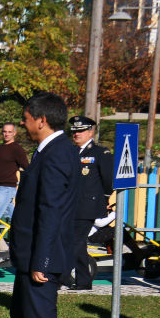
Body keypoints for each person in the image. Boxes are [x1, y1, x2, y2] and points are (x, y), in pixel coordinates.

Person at [0, 92, 79, 318]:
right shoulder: (52, 150)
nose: (23, 122)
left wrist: (42, 261)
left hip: (41, 257)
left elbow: (52, 211)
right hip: (30, 254)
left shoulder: (58, 153)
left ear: (41, 120)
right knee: (23, 317)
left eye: (27, 117)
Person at [68, 115, 114, 290]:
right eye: (74, 131)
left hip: (87, 206)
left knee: (76, 241)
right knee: (71, 242)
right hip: (70, 205)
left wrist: (103, 200)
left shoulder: (100, 153)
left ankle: (79, 279)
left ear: (91, 132)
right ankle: (77, 279)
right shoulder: (71, 152)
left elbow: (107, 179)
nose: (77, 134)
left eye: (80, 131)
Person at [0, 122, 29, 224]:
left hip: (7, 187)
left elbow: (27, 167)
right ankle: (23, 237)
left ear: (14, 133)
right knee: (12, 216)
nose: (7, 134)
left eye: (9, 132)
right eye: (4, 132)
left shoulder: (17, 149)